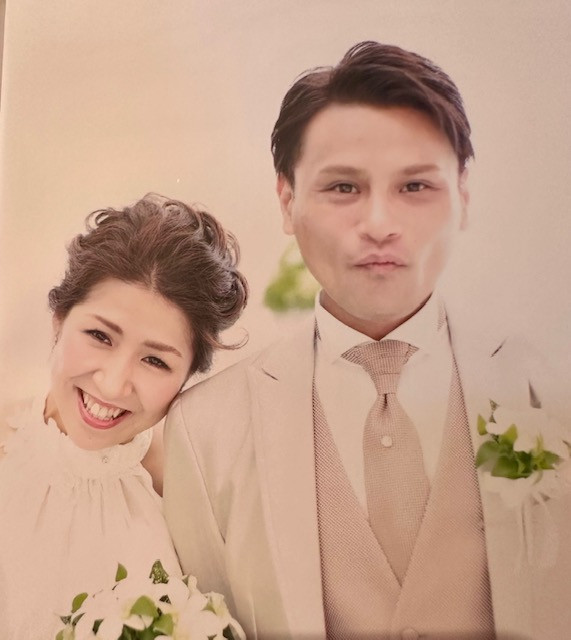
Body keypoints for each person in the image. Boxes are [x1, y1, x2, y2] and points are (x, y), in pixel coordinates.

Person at [163, 42, 571, 640]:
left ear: (463, 194)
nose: (379, 224)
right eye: (343, 188)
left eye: (415, 186)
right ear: (287, 200)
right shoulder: (206, 431)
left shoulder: (552, 391)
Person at [0, 194, 248, 639]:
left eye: (155, 361)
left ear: (187, 378)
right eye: (100, 335)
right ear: (59, 319)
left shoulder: (189, 491)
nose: (113, 385)